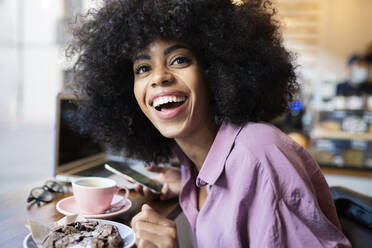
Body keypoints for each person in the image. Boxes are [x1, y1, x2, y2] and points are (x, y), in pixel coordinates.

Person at [68, 0, 351, 247]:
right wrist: (188, 183)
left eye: (179, 60)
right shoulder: (195, 166)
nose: (159, 77)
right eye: (143, 68)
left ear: (215, 72)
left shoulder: (260, 155)